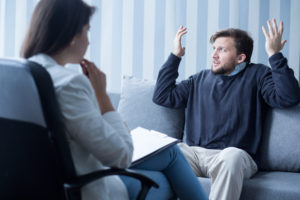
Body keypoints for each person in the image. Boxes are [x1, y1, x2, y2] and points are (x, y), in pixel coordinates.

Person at [21, 0, 208, 199]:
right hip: (82, 187)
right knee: (163, 175)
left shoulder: (19, 75)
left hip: (37, 183)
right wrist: (102, 98)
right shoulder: (69, 84)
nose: (88, 41)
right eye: (87, 31)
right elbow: (121, 156)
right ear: (70, 36)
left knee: (165, 165)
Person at [153, 20, 300, 200]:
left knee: (232, 156)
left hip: (235, 156)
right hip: (195, 154)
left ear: (240, 58)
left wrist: (274, 54)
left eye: (222, 50)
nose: (214, 55)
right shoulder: (199, 79)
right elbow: (162, 96)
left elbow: (288, 97)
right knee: (169, 151)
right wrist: (175, 56)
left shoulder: (259, 75)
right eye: (214, 49)